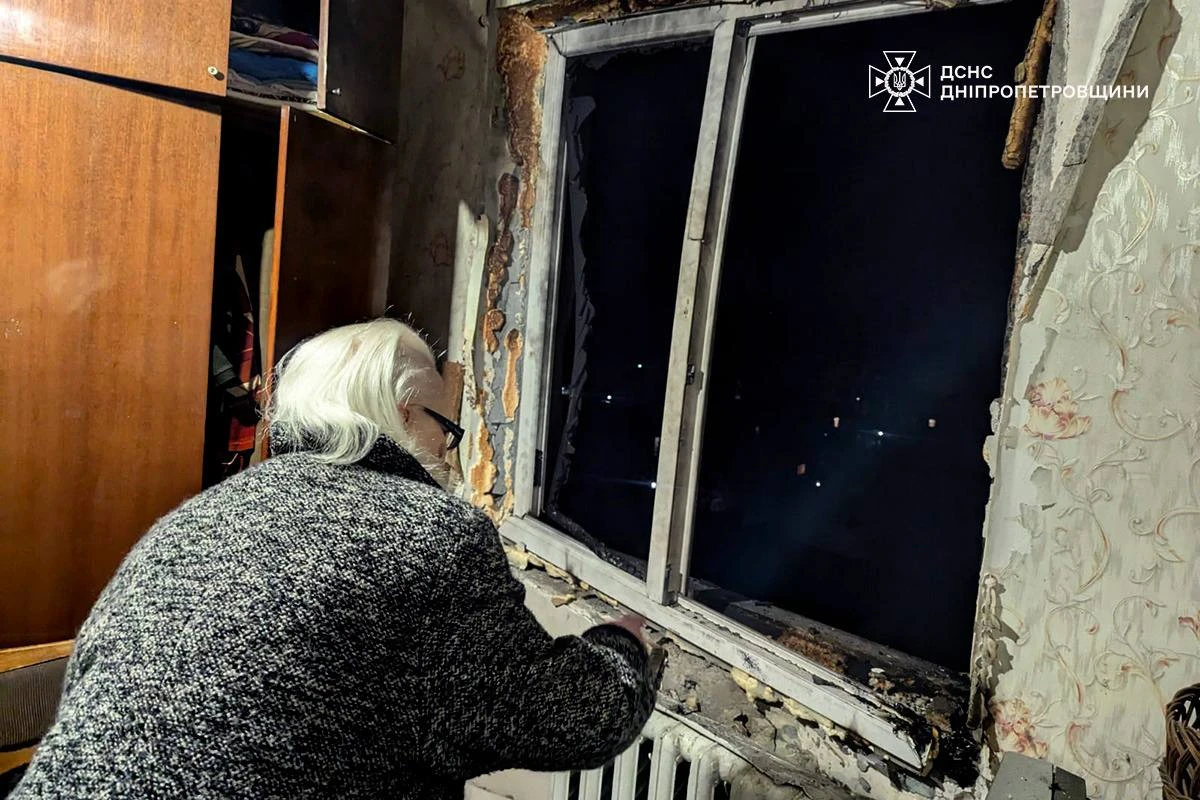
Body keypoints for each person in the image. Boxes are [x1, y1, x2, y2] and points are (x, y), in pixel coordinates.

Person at [13, 318, 656, 799]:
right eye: (448, 429)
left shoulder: (194, 517)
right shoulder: (432, 533)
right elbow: (568, 718)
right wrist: (621, 647)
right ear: (405, 414)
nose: (448, 452)